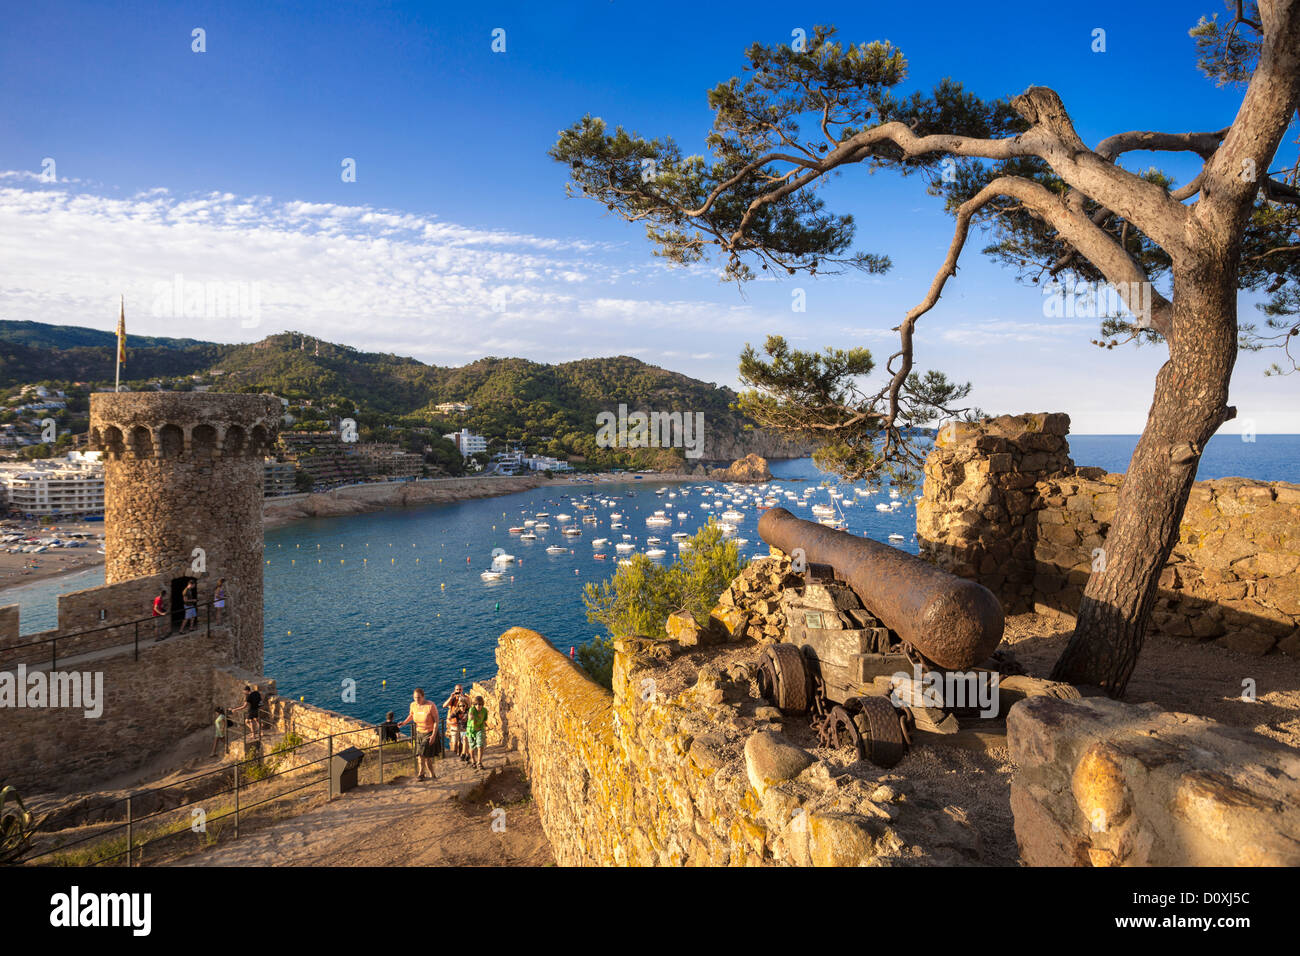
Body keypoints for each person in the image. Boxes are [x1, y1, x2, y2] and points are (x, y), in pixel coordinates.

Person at [396, 687, 439, 781]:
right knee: (425, 757)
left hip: (429, 733)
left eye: (418, 697)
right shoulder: (413, 705)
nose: (416, 700)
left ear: (423, 696)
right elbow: (411, 715)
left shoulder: (430, 706)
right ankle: (432, 775)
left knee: (422, 754)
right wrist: (403, 723)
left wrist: (434, 735)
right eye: (415, 697)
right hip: (419, 732)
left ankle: (421, 773)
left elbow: (436, 721)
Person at [442, 685, 469, 758]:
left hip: (463, 724)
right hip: (454, 724)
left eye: (460, 689)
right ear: (454, 690)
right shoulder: (453, 699)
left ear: (462, 690)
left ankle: (461, 755)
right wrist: (451, 697)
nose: (458, 691)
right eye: (457, 690)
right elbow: (444, 705)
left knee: (463, 742)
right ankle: (454, 756)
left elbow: (469, 705)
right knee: (454, 742)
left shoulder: (465, 698)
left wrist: (462, 698)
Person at [465, 696, 488, 771]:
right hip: (471, 731)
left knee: (480, 745)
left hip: (480, 729)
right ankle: (473, 761)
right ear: (474, 705)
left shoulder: (484, 711)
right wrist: (470, 716)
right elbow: (470, 716)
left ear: (482, 704)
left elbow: (484, 720)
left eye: (480, 704)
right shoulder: (472, 709)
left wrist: (484, 726)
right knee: (472, 747)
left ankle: (479, 762)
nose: (478, 706)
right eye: (476, 704)